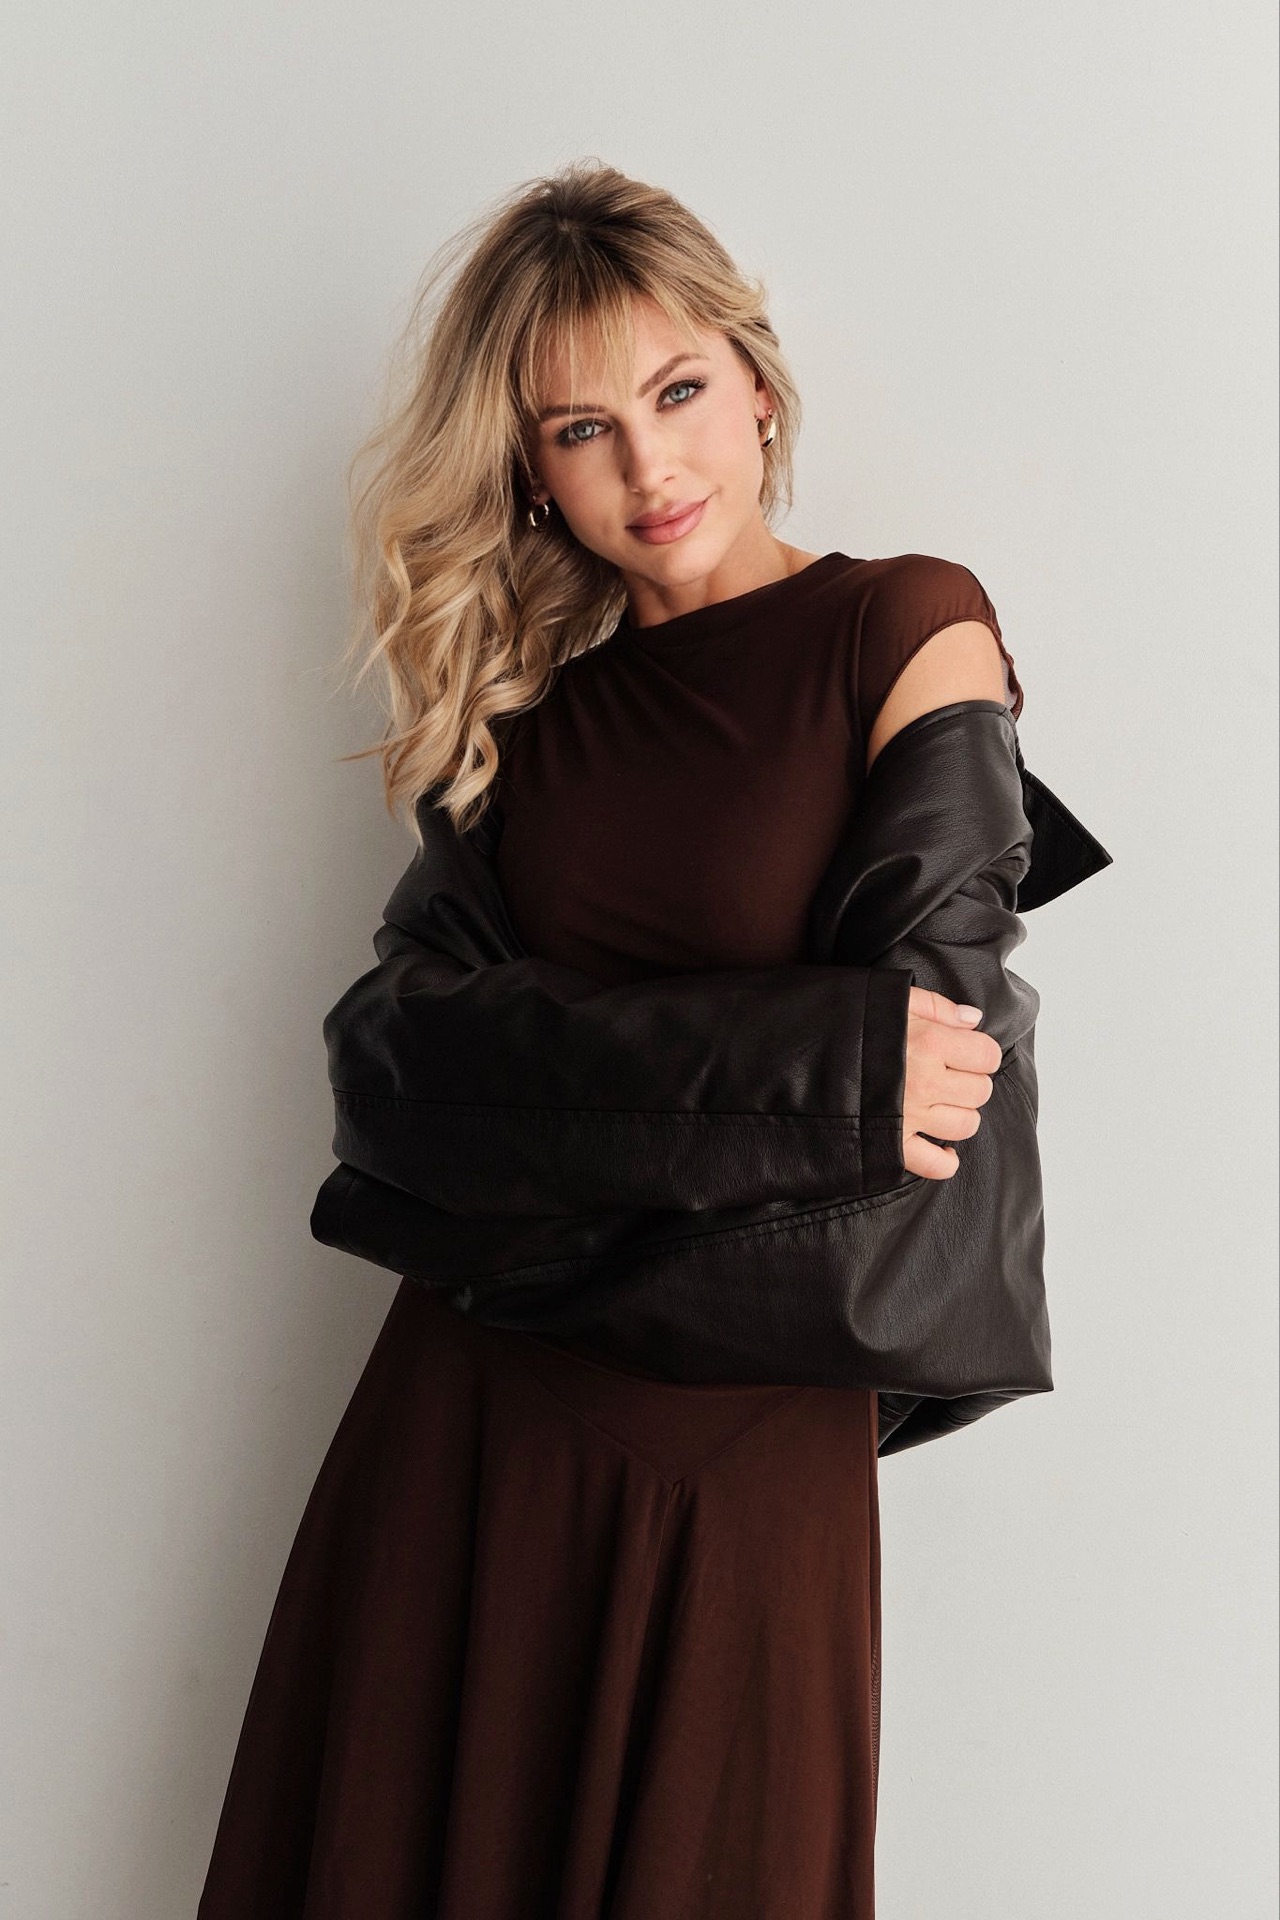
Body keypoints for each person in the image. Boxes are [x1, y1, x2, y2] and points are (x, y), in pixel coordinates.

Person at [198, 159, 1026, 1920]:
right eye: (584, 430)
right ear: (531, 472)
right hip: (464, 1443)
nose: (651, 468)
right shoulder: (521, 728)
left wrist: (534, 1157)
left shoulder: (906, 628)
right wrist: (819, 1077)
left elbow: (937, 1132)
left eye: (678, 392)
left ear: (758, 383)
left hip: (746, 1474)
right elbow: (391, 1079)